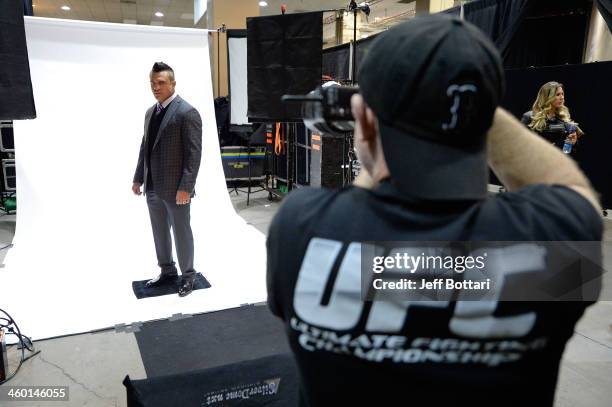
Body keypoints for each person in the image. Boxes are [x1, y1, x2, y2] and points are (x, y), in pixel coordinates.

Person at [266, 15, 602, 407]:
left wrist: (373, 132)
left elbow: (363, 226)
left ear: (367, 120)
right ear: (486, 117)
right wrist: (468, 104)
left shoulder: (300, 227)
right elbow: (576, 193)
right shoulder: (553, 240)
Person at [133, 62, 202, 297]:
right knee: (159, 231)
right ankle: (167, 271)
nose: (155, 87)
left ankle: (188, 276)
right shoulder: (150, 112)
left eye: (161, 83)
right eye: (152, 83)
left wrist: (186, 187)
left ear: (173, 83)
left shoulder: (187, 112)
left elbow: (194, 154)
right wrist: (138, 178)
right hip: (152, 186)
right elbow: (145, 147)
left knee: (181, 232)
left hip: (177, 189)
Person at [521, 81, 584, 155]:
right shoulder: (530, 117)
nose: (562, 97)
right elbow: (521, 146)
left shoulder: (564, 119)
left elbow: (567, 152)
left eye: (562, 94)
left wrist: (572, 143)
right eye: (557, 94)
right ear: (547, 97)